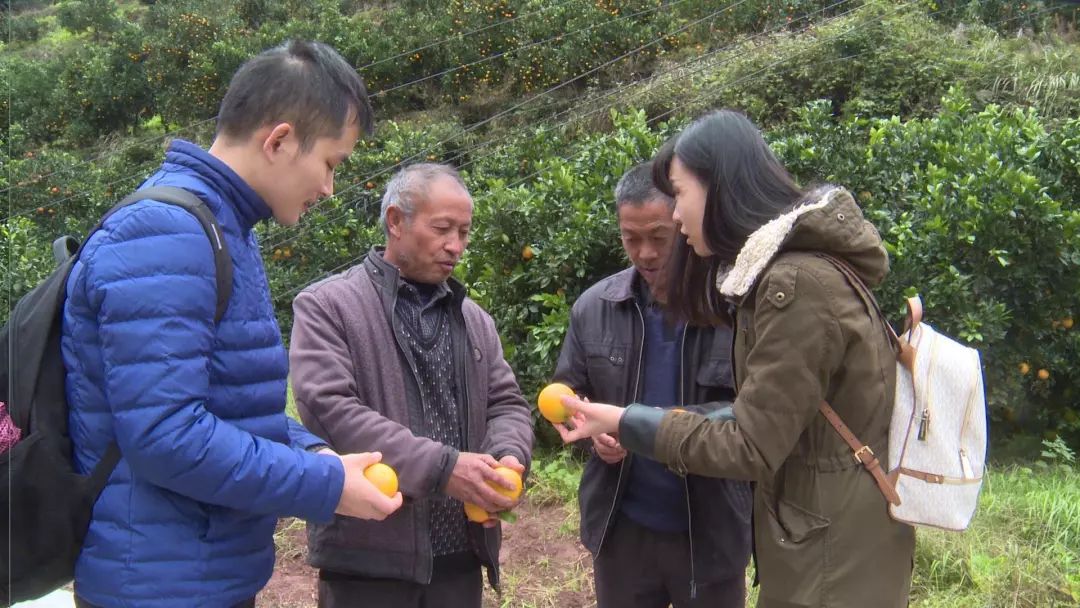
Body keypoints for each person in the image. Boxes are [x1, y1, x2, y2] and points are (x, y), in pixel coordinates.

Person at [61, 40, 403, 608]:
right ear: (280, 140)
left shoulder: (221, 229)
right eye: (330, 163)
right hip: (156, 589)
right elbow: (166, 437)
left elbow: (226, 407)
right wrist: (322, 486)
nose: (328, 188)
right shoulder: (166, 235)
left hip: (197, 575)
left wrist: (313, 454)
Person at [556, 110, 916, 607]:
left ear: (718, 188)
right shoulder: (796, 274)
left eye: (680, 194)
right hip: (824, 536)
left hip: (829, 555)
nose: (677, 216)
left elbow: (749, 442)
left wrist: (627, 420)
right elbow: (763, 417)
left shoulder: (793, 284)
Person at [289, 163, 535, 608]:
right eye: (442, 229)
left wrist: (509, 458)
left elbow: (506, 404)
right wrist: (445, 468)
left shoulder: (474, 320)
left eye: (464, 232)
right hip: (367, 560)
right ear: (396, 221)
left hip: (461, 554)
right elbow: (331, 410)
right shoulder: (328, 307)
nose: (455, 245)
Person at [552, 162, 751, 607]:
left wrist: (642, 425)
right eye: (631, 238)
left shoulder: (732, 310)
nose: (644, 253)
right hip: (623, 532)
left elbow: (752, 414)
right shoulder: (594, 308)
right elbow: (566, 396)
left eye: (658, 237)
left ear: (682, 223)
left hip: (710, 531)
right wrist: (594, 433)